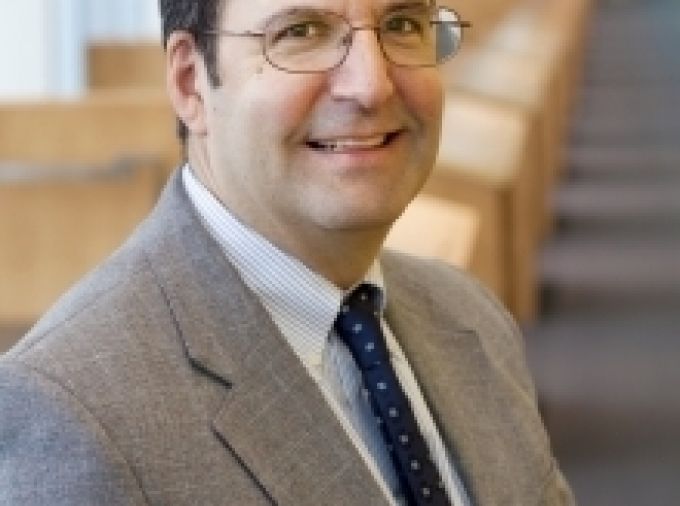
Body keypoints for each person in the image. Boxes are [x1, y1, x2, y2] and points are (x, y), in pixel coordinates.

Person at [0, 0, 574, 504]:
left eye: (402, 23)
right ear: (191, 83)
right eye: (301, 32)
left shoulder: (472, 315)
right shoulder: (73, 414)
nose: (372, 85)